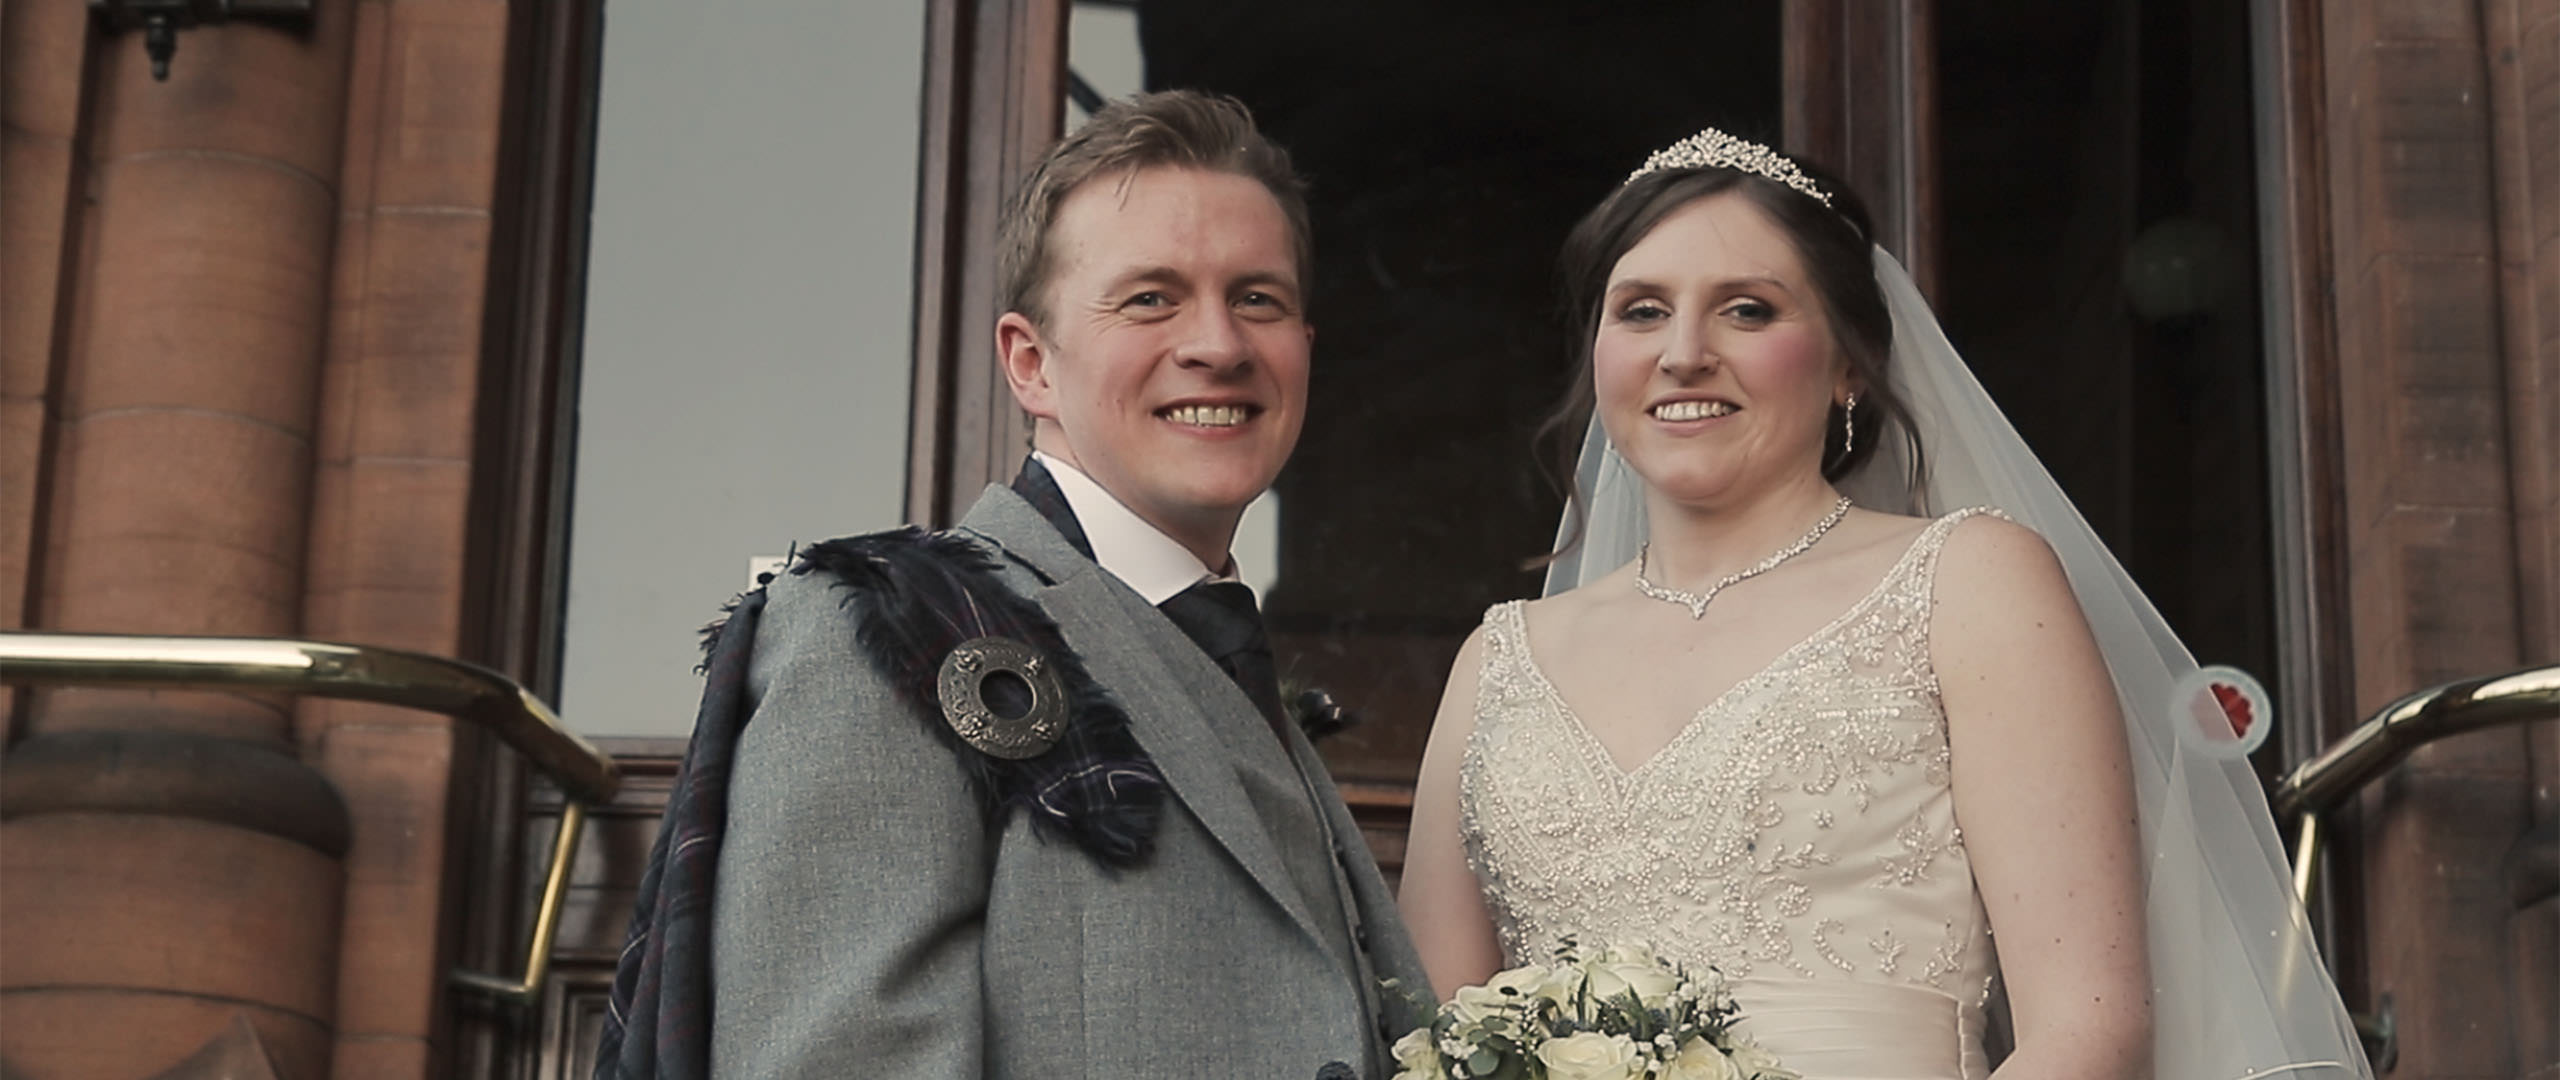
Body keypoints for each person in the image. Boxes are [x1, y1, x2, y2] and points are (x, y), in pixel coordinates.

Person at [1397, 129, 2373, 1080]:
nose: (1683, 352)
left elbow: (2089, 1028)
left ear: (1849, 361)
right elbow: (1431, 1037)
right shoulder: (1499, 664)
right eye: (1641, 310)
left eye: (1746, 309)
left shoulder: (1969, 583)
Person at [596, 90, 1425, 1080]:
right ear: (1030, 363)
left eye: (1259, 299)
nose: (1220, 343)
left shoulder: (1249, 687)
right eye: (1150, 298)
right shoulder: (879, 631)